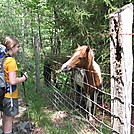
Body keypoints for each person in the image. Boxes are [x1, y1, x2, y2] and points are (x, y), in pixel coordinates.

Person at [2, 37, 28, 134]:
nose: (18, 49)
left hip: (3, 94)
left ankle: (5, 131)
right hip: (10, 95)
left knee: (5, 116)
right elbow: (13, 81)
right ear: (12, 48)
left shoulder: (3, 59)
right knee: (9, 118)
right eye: (17, 47)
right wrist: (24, 78)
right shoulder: (11, 61)